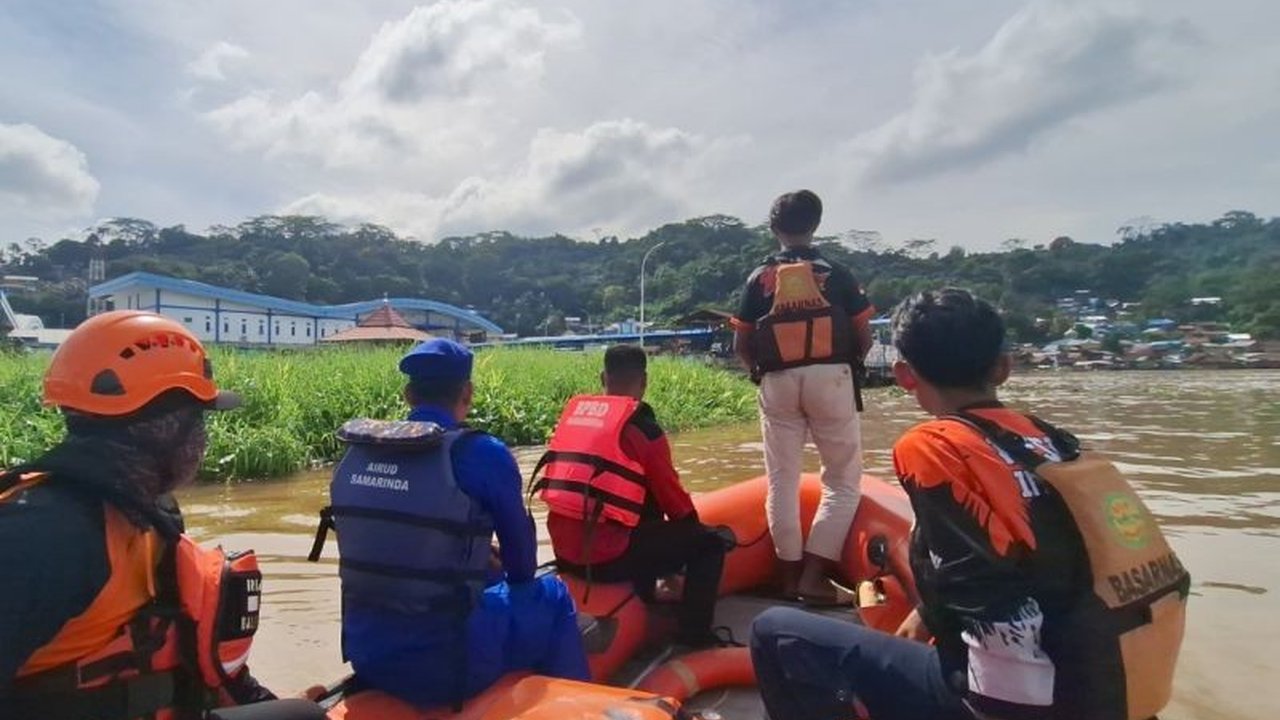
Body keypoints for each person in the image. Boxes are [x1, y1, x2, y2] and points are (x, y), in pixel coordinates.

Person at [750, 288, 1189, 720]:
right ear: (1003, 368)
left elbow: (969, 580)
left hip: (1006, 706)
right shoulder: (1054, 441)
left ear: (905, 376)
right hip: (1115, 695)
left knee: (773, 631)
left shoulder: (934, 446)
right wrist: (926, 615)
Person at [0, 311, 277, 718]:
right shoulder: (50, 535)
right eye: (199, 419)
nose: (204, 437)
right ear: (165, 428)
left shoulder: (147, 508)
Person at [320, 338, 589, 709]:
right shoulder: (482, 453)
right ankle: (576, 708)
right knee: (553, 595)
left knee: (487, 577)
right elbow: (523, 567)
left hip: (368, 655)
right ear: (468, 392)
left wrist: (474, 557)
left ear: (408, 394)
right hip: (449, 667)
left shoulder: (358, 453)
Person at [732, 189, 875, 603]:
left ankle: (789, 578)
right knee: (843, 481)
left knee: (782, 481)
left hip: (776, 380)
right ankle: (815, 577)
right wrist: (844, 368)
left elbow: (742, 342)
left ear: (774, 228)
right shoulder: (839, 273)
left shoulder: (758, 278)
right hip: (832, 376)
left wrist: (759, 374)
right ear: (815, 225)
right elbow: (863, 335)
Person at [536, 344, 730, 648]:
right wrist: (692, 538)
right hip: (608, 560)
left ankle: (649, 594)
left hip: (564, 553)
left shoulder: (577, 421)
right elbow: (676, 505)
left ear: (603, 377)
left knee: (638, 507)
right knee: (709, 544)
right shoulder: (644, 430)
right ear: (644, 382)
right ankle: (695, 636)